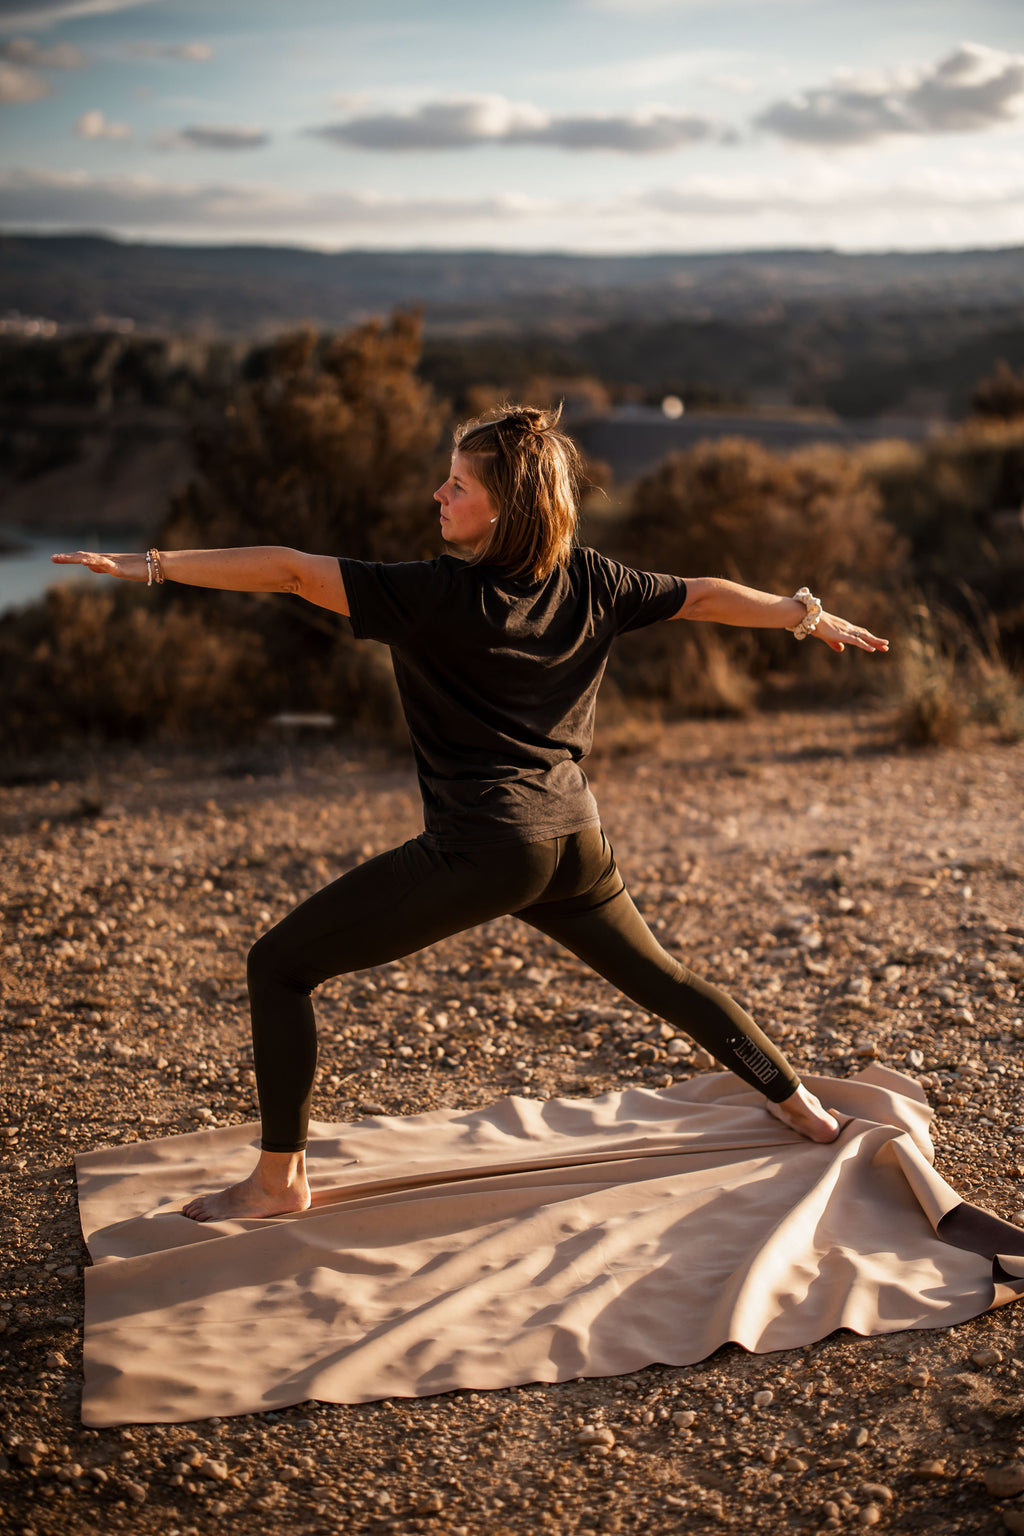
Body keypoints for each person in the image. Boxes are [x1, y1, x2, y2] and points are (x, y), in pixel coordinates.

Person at [53, 405, 889, 1222]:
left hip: (486, 848)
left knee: (278, 965)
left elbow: (293, 572)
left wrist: (153, 565)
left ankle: (278, 1182)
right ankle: (805, 1110)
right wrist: (803, 615)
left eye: (457, 485)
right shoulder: (592, 578)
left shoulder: (431, 595)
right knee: (666, 981)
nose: (439, 496)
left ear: (502, 508)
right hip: (575, 841)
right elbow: (701, 596)